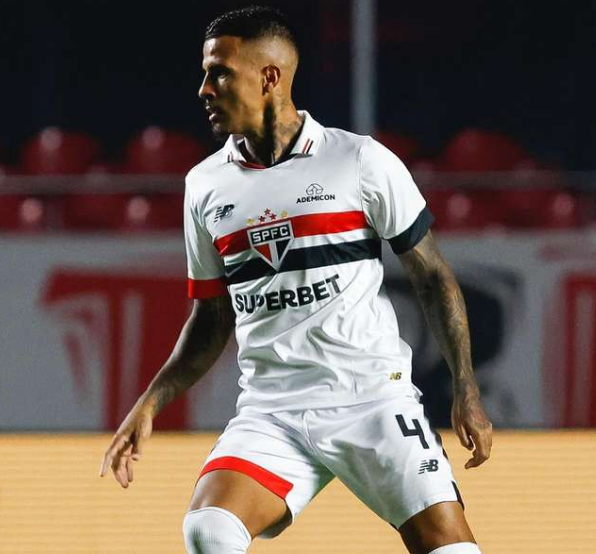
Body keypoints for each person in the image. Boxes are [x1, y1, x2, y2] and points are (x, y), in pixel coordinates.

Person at [100, 6, 492, 554]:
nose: (204, 90)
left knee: (451, 551)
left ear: (270, 77)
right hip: (272, 411)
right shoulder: (205, 186)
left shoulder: (360, 160)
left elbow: (432, 277)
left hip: (373, 401)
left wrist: (465, 386)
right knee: (208, 529)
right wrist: (150, 402)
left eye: (219, 74)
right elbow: (211, 316)